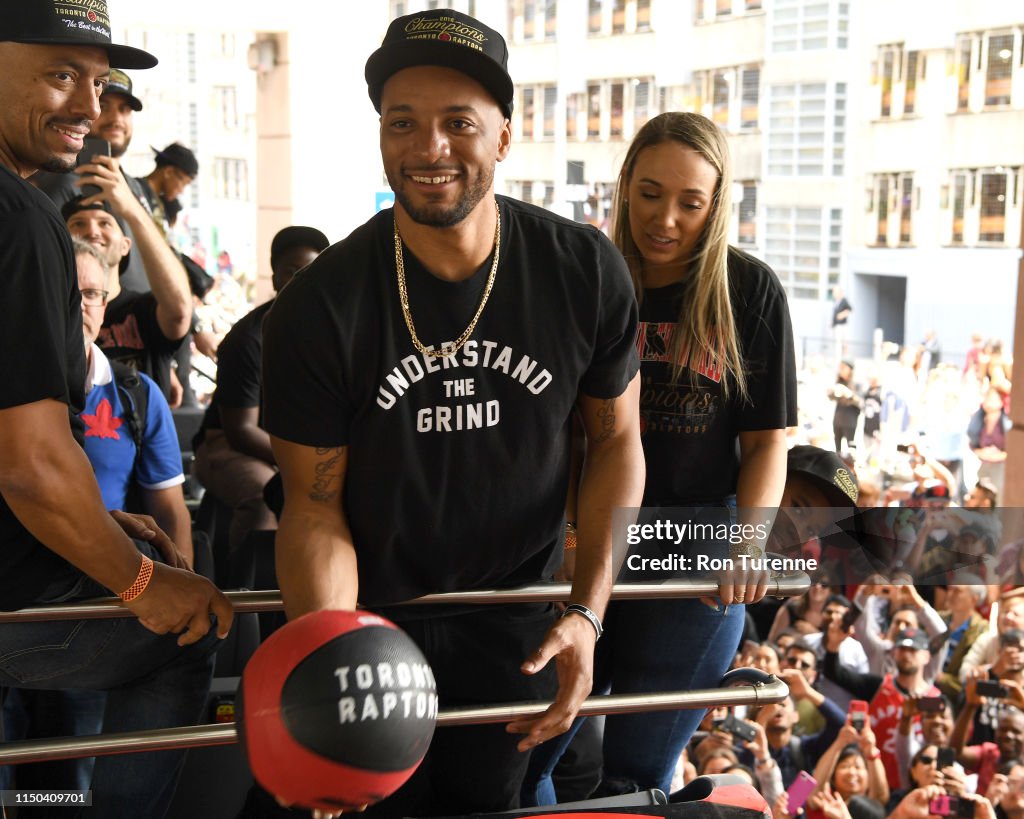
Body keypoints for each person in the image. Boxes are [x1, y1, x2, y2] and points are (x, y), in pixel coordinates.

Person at [258, 9, 644, 818]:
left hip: (516, 620)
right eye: (403, 122)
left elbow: (617, 443)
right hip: (376, 612)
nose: (429, 147)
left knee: (487, 802)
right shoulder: (320, 305)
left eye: (457, 122)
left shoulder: (582, 271)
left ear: (504, 135)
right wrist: (337, 660)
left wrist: (586, 611)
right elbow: (315, 502)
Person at [0, 4, 233, 818]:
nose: (91, 110)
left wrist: (101, 531)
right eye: (62, 74)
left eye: (98, 84)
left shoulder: (136, 396)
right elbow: (29, 463)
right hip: (14, 589)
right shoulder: (22, 219)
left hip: (42, 551)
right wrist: (139, 580)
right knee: (186, 630)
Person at [525, 111, 796, 804]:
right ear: (623, 185)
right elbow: (558, 429)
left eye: (690, 202)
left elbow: (767, 441)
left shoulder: (751, 290)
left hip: (697, 549)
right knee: (526, 758)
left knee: (636, 778)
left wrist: (749, 540)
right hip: (589, 536)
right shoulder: (586, 277)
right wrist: (567, 534)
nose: (665, 219)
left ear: (717, 204)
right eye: (649, 193)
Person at [2, 239, 193, 803]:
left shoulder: (136, 393)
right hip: (19, 592)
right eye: (68, 294)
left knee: (73, 778)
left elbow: (169, 511)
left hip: (95, 600)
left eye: (91, 294)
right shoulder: (16, 382)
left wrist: (181, 585)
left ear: (109, 302)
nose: (79, 306)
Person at [194, 225, 329, 556]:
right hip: (228, 446)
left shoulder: (330, 333)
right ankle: (251, 597)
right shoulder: (247, 340)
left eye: (311, 271)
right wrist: (307, 461)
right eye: (291, 271)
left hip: (296, 444)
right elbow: (241, 431)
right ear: (274, 277)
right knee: (265, 496)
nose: (301, 280)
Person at [31, 67, 153, 293]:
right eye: (105, 106)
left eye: (124, 109)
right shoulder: (65, 182)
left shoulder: (132, 185)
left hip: (144, 320)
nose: (116, 119)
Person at [831, 286, 852, 360]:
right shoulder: (836, 301)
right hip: (836, 326)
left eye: (835, 292)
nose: (833, 293)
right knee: (837, 344)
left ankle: (845, 359)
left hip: (842, 326)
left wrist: (842, 315)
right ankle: (838, 359)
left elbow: (850, 309)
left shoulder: (844, 300)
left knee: (844, 344)